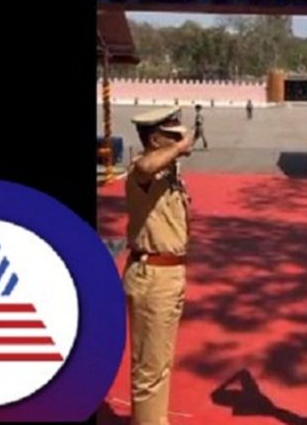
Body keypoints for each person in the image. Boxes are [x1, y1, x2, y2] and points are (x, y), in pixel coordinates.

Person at [124, 105, 194, 425]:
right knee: (149, 368)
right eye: (173, 136)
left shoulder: (167, 175)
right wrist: (179, 149)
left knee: (160, 362)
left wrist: (176, 154)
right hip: (152, 274)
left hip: (169, 273)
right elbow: (145, 167)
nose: (182, 141)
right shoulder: (143, 170)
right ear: (155, 140)